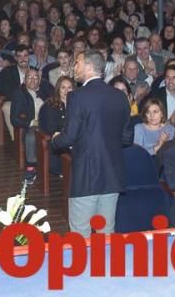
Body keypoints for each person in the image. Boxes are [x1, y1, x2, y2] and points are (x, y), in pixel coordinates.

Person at [50, 50, 129, 235]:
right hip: (112, 173)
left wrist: (55, 140)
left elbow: (69, 136)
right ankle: (107, 264)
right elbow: (127, 138)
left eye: (77, 62)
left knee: (80, 232)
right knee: (106, 231)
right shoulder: (120, 96)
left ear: (89, 67)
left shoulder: (77, 96)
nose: (74, 67)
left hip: (87, 174)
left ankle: (83, 265)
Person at [10, 67, 48, 184]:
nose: (32, 80)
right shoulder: (19, 93)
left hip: (50, 122)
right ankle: (31, 168)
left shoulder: (46, 89)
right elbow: (14, 119)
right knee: (31, 137)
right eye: (29, 77)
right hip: (34, 125)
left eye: (35, 77)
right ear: (24, 79)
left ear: (40, 79)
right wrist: (32, 122)